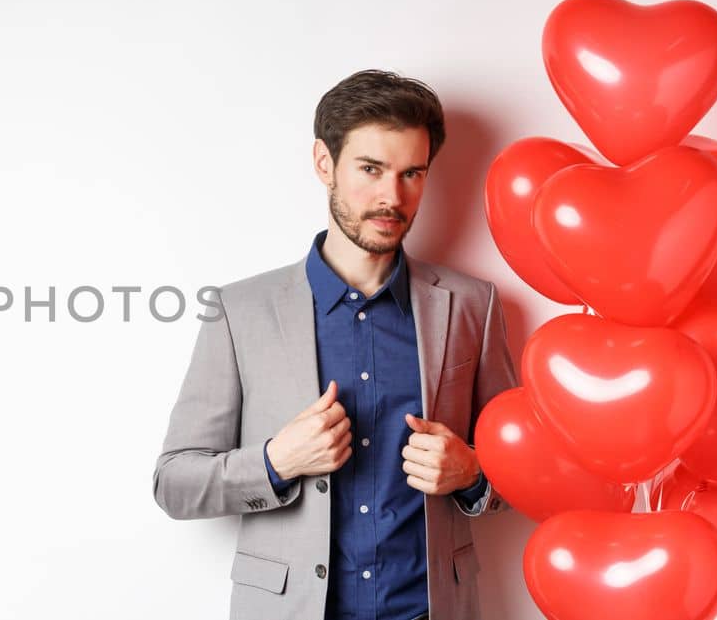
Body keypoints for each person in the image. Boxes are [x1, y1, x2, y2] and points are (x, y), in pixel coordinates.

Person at [151, 70, 518, 620]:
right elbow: (174, 482)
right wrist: (276, 462)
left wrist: (471, 474)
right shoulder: (240, 312)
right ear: (325, 163)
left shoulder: (472, 306)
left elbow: (523, 468)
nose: (392, 197)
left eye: (412, 173)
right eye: (370, 169)